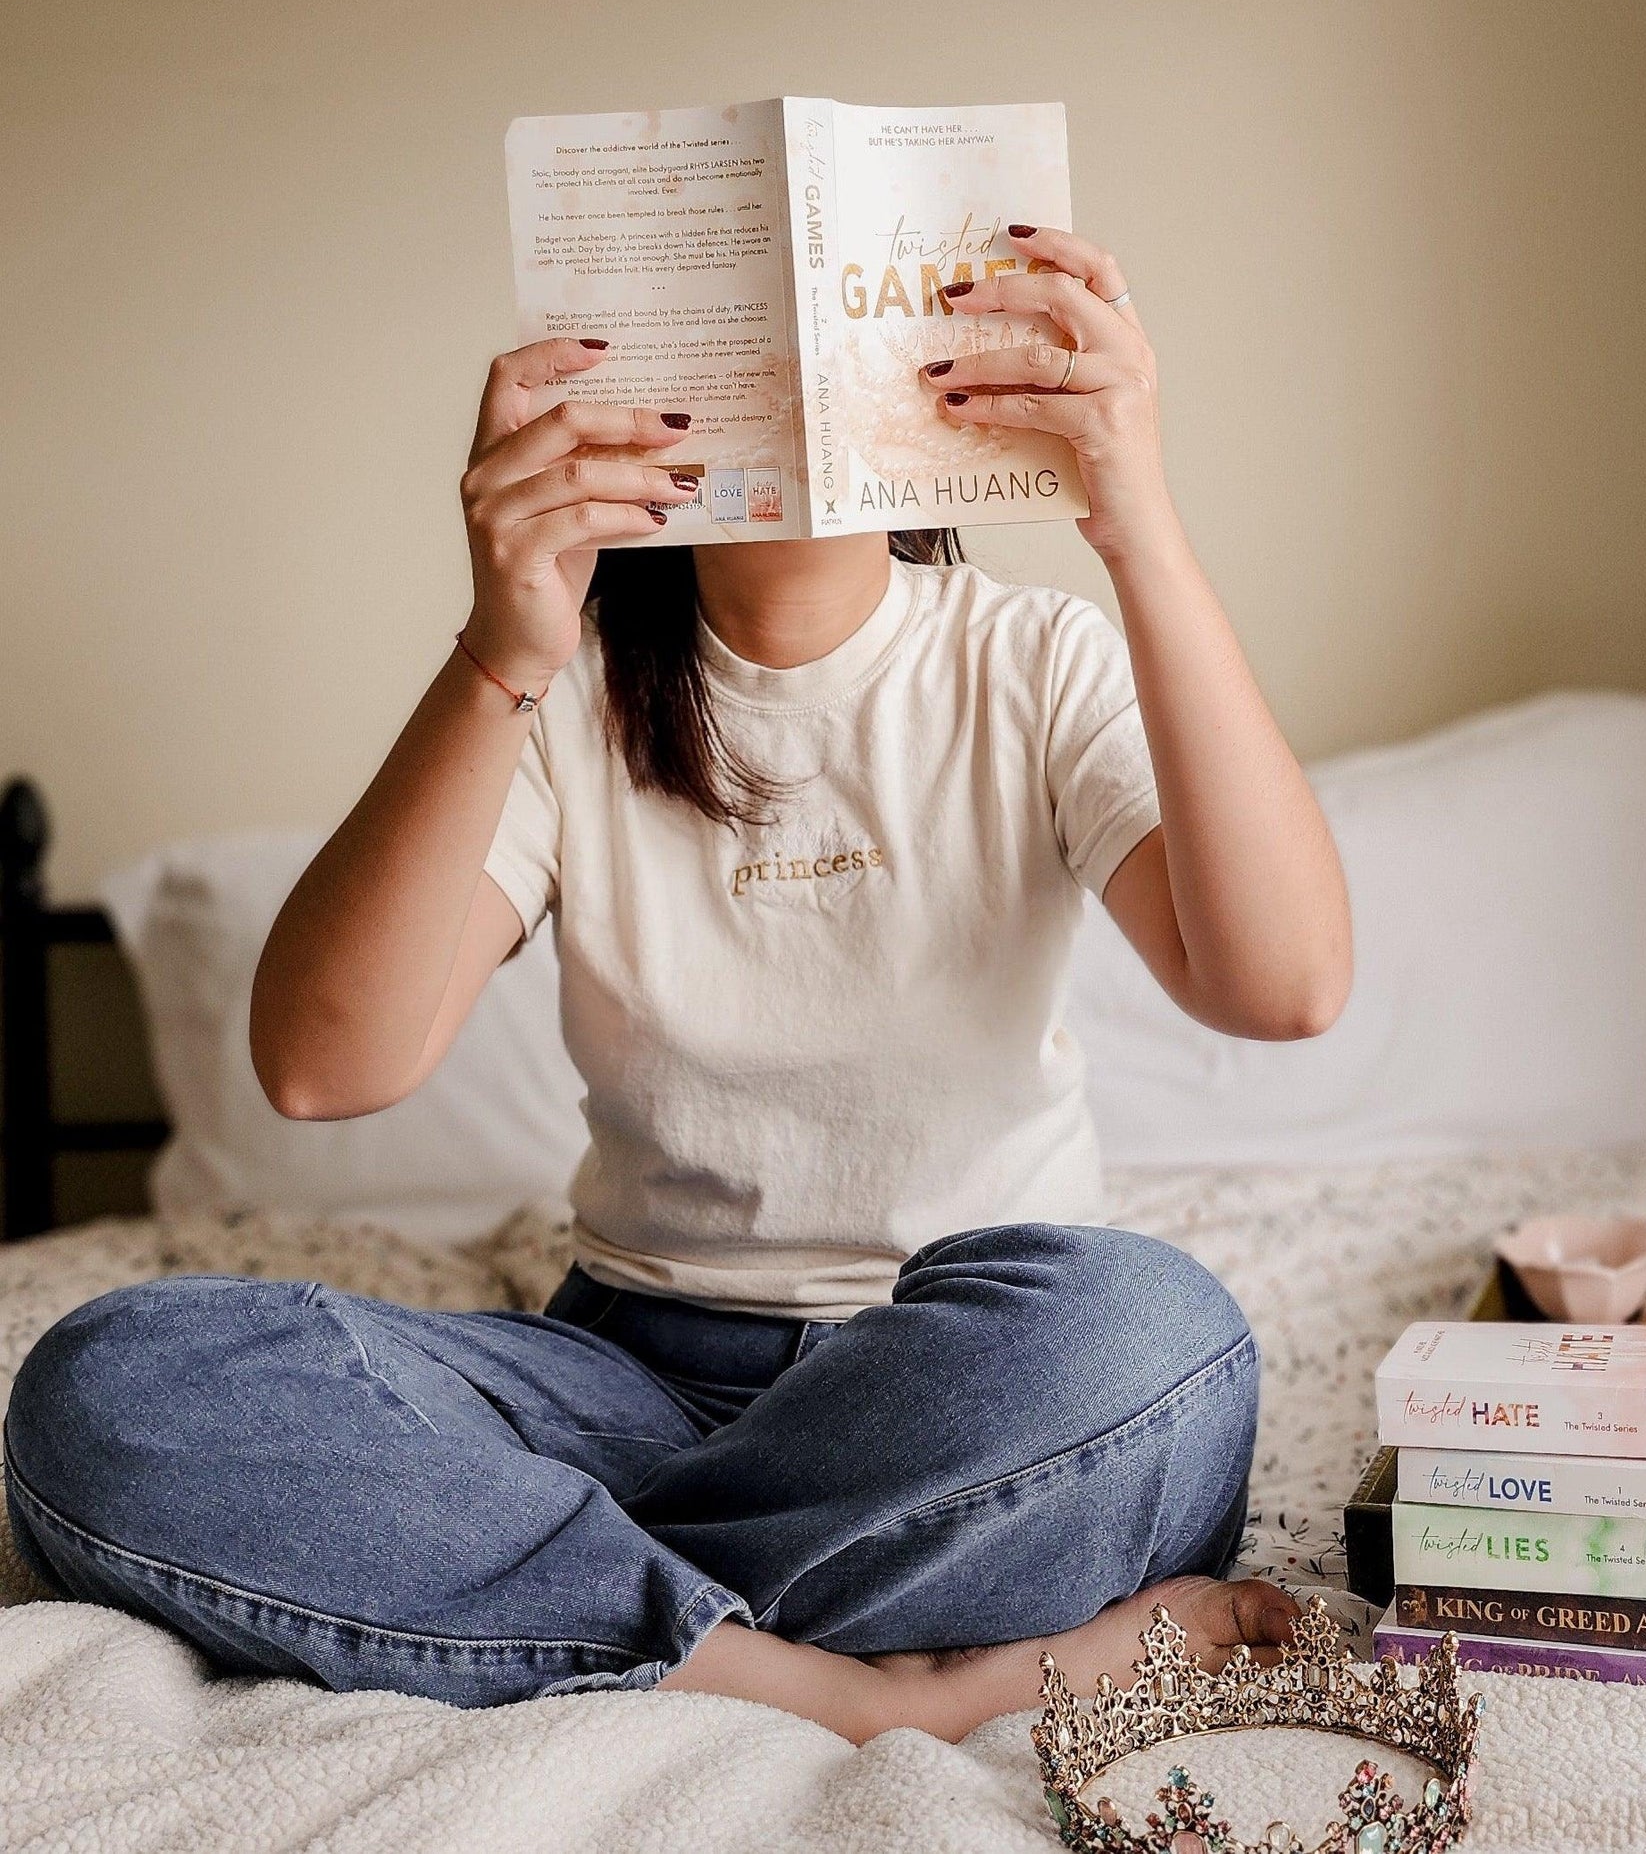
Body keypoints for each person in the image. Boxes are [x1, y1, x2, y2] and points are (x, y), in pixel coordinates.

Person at [5, 229, 1352, 1744]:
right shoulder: (559, 688)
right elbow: (324, 1068)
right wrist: (499, 649)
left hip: (965, 1386)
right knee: (107, 1388)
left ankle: (528, 1579)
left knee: (1151, 1341)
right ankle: (852, 1683)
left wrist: (1139, 524)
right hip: (630, 1375)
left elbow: (1286, 985)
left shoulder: (1034, 659)